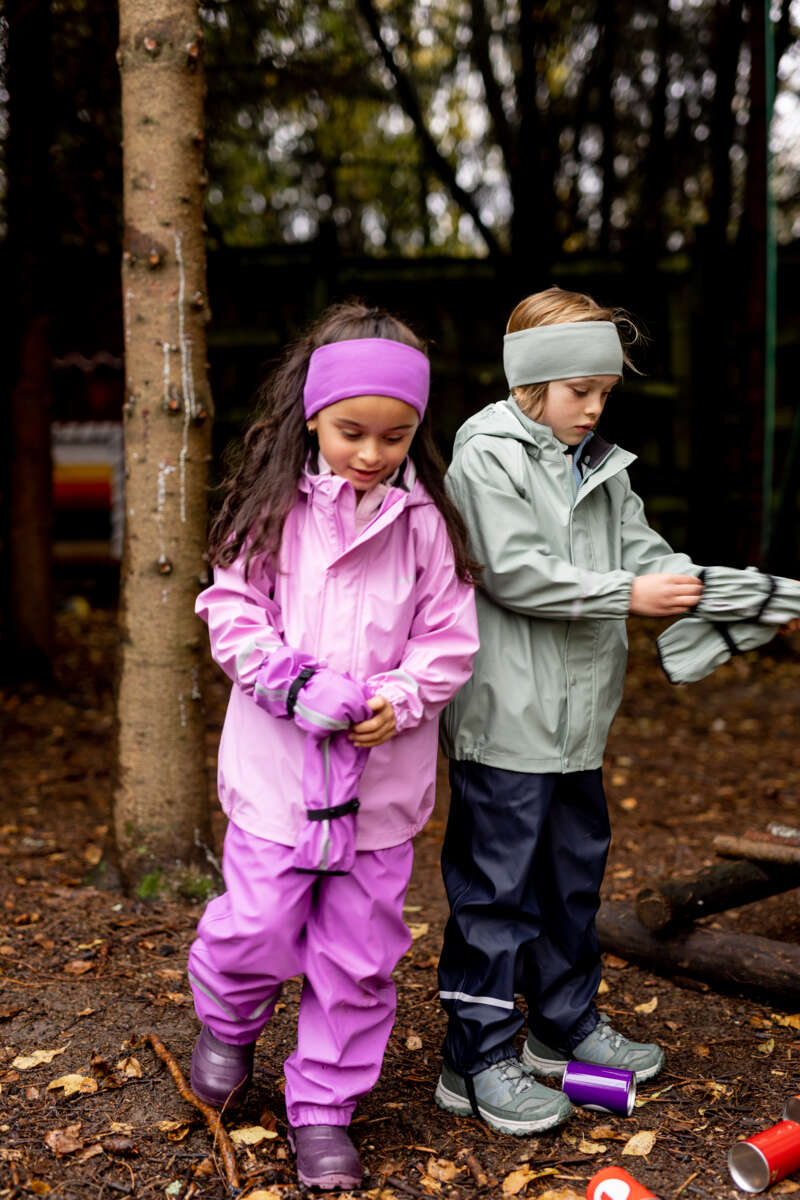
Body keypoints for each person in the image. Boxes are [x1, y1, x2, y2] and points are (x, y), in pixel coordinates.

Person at [187, 302, 479, 1190]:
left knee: (357, 957)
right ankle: (228, 1019)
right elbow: (231, 613)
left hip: (379, 796)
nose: (372, 453)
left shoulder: (426, 522)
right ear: (312, 415)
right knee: (257, 926)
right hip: (280, 781)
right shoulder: (269, 508)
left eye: (395, 436)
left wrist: (399, 697)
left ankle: (324, 1107)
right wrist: (290, 680)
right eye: (352, 430)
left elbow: (448, 638)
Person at [436, 286, 706, 1136]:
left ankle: (561, 1026)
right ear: (532, 384)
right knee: (495, 893)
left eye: (604, 393)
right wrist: (632, 593)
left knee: (571, 881)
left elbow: (641, 548)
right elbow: (516, 573)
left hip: (578, 727)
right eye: (579, 390)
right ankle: (473, 1056)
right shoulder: (488, 454)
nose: (593, 406)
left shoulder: (600, 465)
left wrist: (693, 584)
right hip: (507, 723)